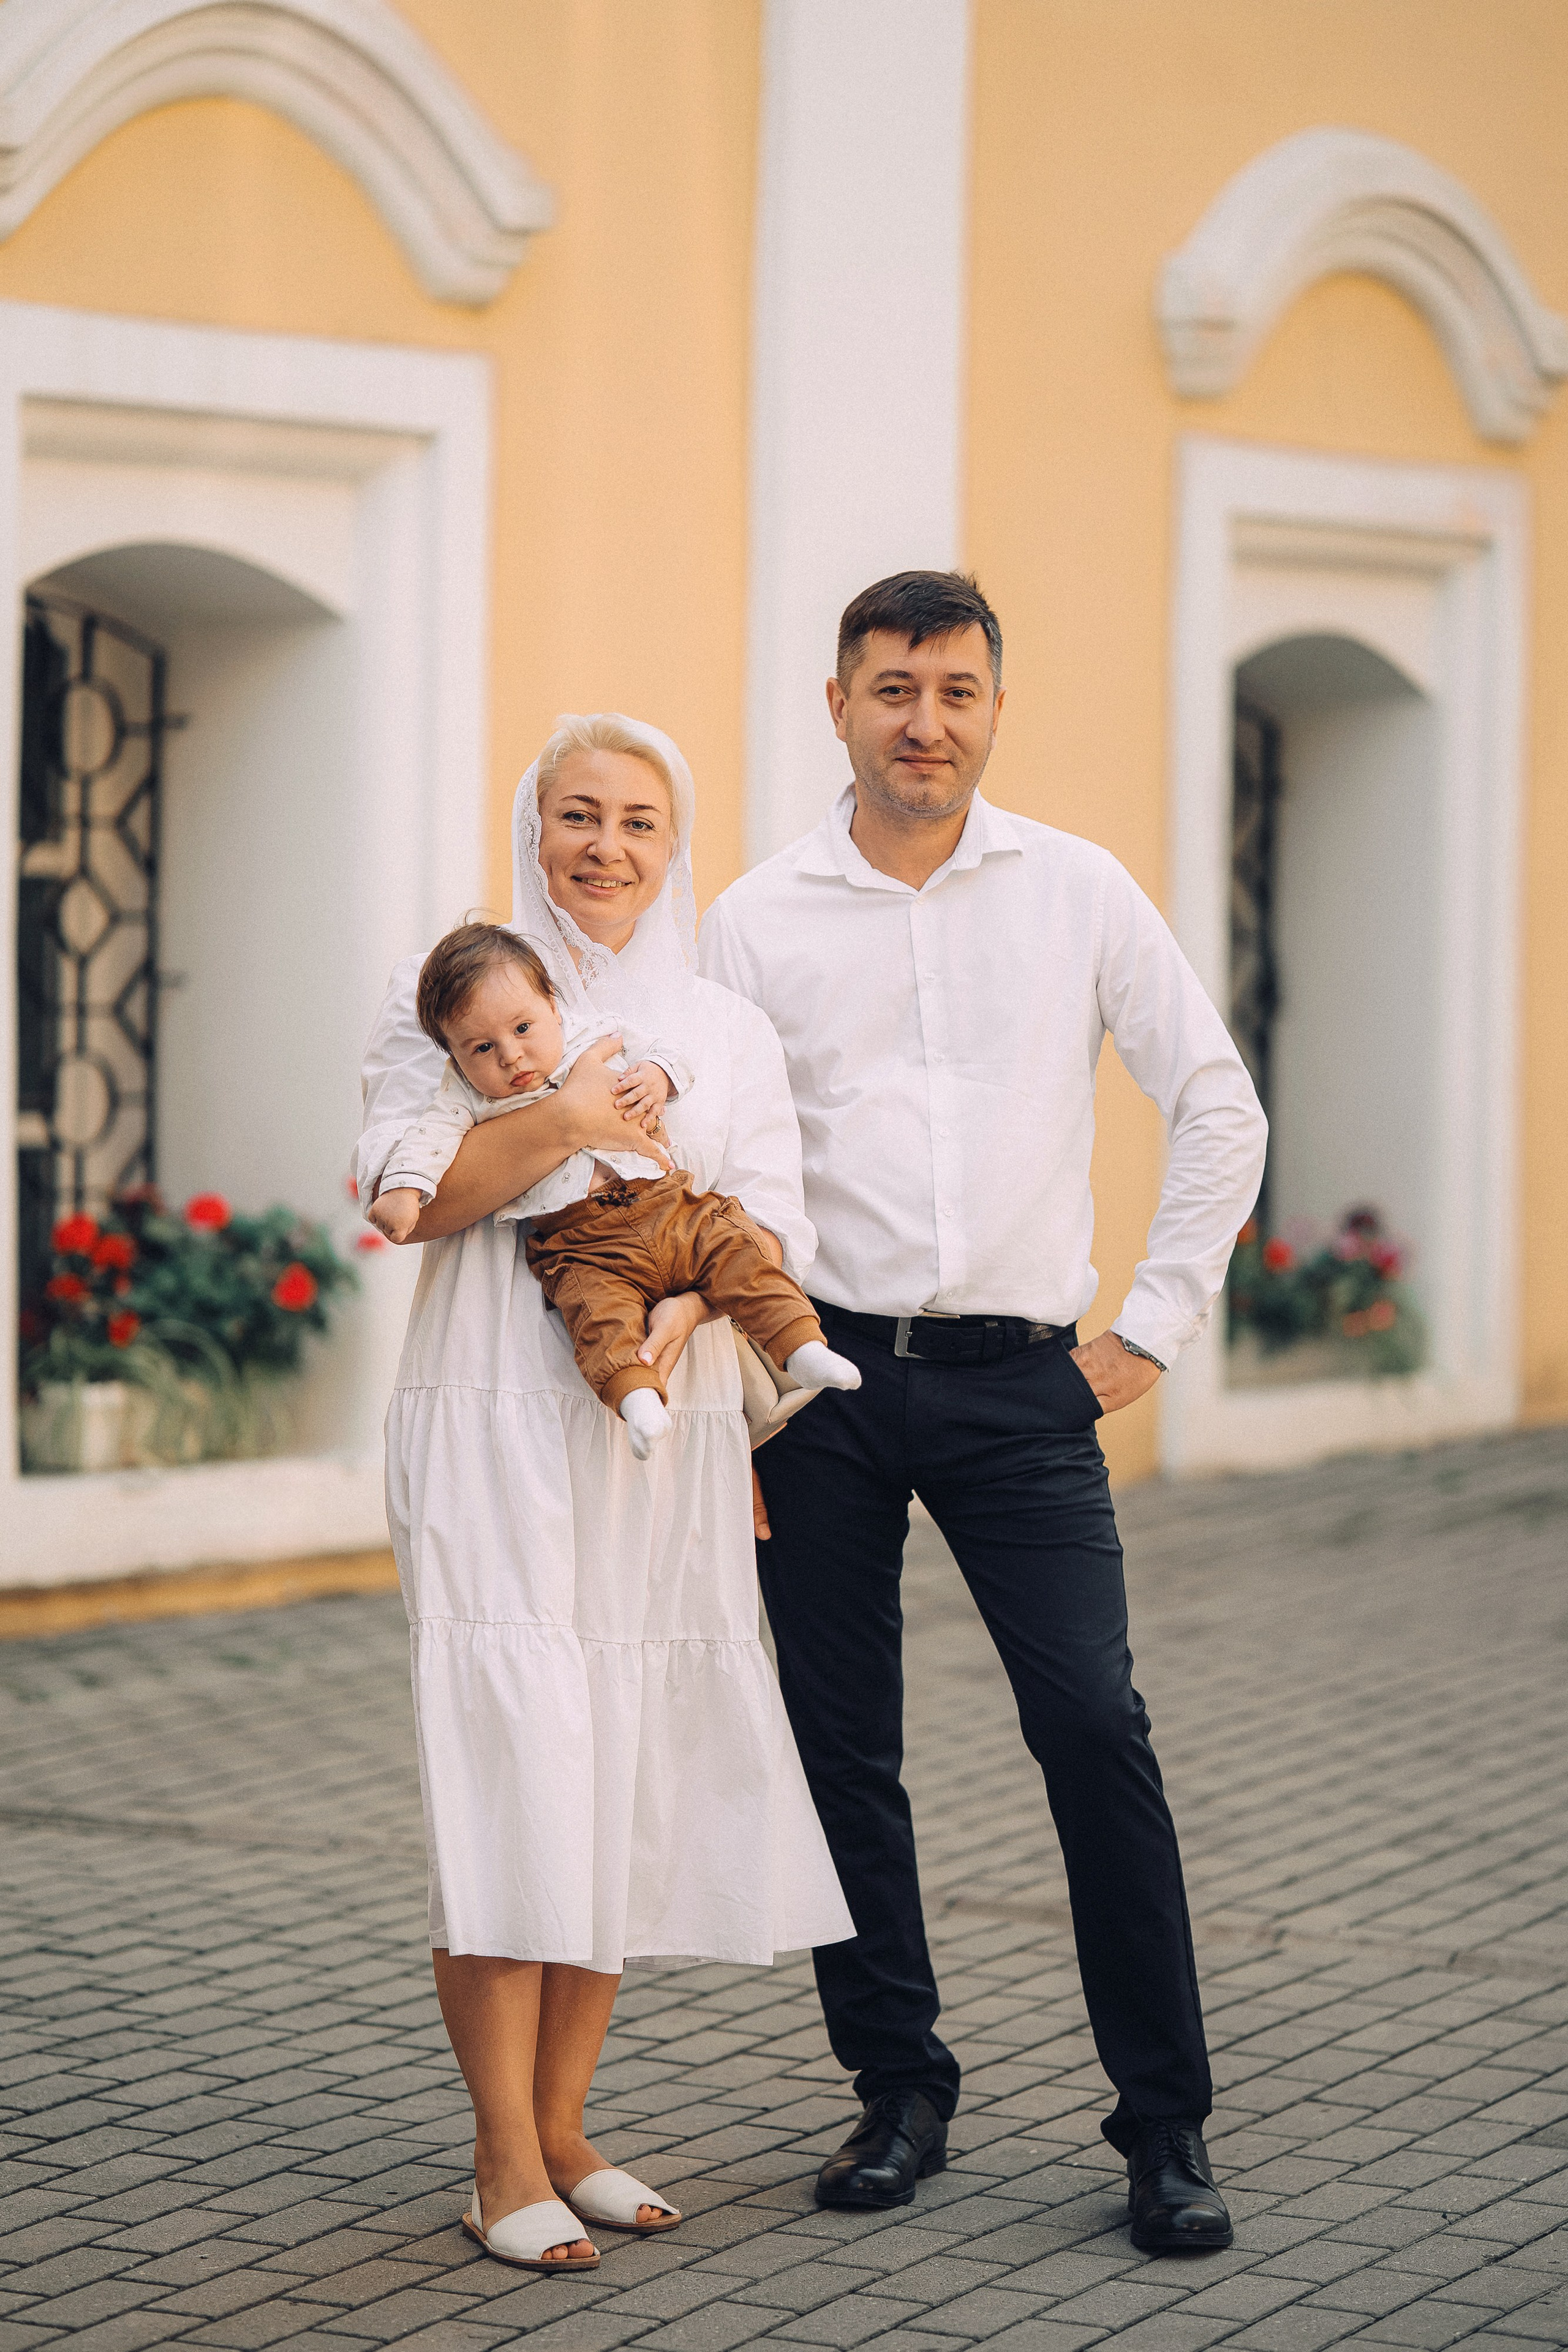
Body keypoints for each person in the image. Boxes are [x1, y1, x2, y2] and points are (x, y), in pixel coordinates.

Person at [701, 572, 1268, 2255]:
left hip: (1026, 1385)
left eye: (954, 690)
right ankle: (898, 2086)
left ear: (995, 709)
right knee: (837, 1748)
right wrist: (737, 1384)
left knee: (1096, 1729)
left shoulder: (1078, 891)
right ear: (839, 707)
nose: (923, 721)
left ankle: (1165, 2126)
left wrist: (1153, 1327)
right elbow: (717, 1172)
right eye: (893, 690)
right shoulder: (754, 919)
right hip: (823, 1387)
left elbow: (1217, 1106)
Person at [355, 712, 853, 2274]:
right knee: (516, 1749)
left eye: (639, 817)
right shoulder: (447, 994)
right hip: (494, 1415)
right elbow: (421, 1198)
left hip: (657, 1421)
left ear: (673, 838)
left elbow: (765, 1222)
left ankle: (566, 2125)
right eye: (577, 812)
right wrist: (563, 1118)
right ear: (535, 825)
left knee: (619, 1762)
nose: (607, 844)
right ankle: (496, 2149)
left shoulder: (723, 1023)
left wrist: (679, 1338)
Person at [368, 921, 858, 1457]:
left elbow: (667, 1055)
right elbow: (426, 1145)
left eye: (523, 1029)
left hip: (667, 1206)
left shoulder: (593, 1035)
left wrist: (658, 1076)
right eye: (483, 1048)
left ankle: (801, 1345)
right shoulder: (461, 1094)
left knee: (734, 1248)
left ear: (553, 1008)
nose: (510, 1056)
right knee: (598, 1315)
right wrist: (404, 1192)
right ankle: (637, 1399)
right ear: (456, 1057)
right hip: (577, 1241)